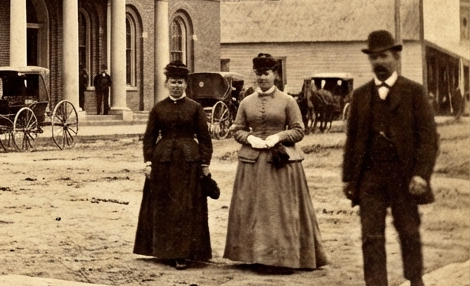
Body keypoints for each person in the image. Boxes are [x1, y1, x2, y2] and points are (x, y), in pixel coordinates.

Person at [343, 30, 440, 286]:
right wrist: (349, 177)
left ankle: (415, 277)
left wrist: (422, 174)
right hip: (371, 177)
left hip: (404, 176)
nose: (378, 62)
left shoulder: (414, 93)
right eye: (373, 57)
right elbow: (352, 141)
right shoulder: (361, 96)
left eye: (384, 55)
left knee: (408, 230)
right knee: (370, 237)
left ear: (396, 57)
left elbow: (428, 139)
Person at [224, 53, 327, 269]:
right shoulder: (246, 102)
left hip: (281, 164)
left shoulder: (288, 101)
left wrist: (279, 136)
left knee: (280, 210)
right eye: (258, 73)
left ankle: (283, 257)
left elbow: (299, 130)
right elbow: (237, 130)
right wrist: (250, 138)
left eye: (266, 73)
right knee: (254, 209)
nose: (262, 78)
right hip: (252, 164)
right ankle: (255, 256)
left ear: (275, 75)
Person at [134, 61, 212, 269]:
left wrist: (205, 163)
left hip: (189, 164)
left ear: (186, 84)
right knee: (164, 206)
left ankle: (185, 253)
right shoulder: (158, 109)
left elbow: (205, 138)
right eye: (172, 82)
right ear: (166, 83)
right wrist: (148, 162)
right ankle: (165, 250)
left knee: (186, 207)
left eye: (180, 82)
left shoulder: (195, 109)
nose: (176, 86)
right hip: (163, 164)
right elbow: (149, 137)